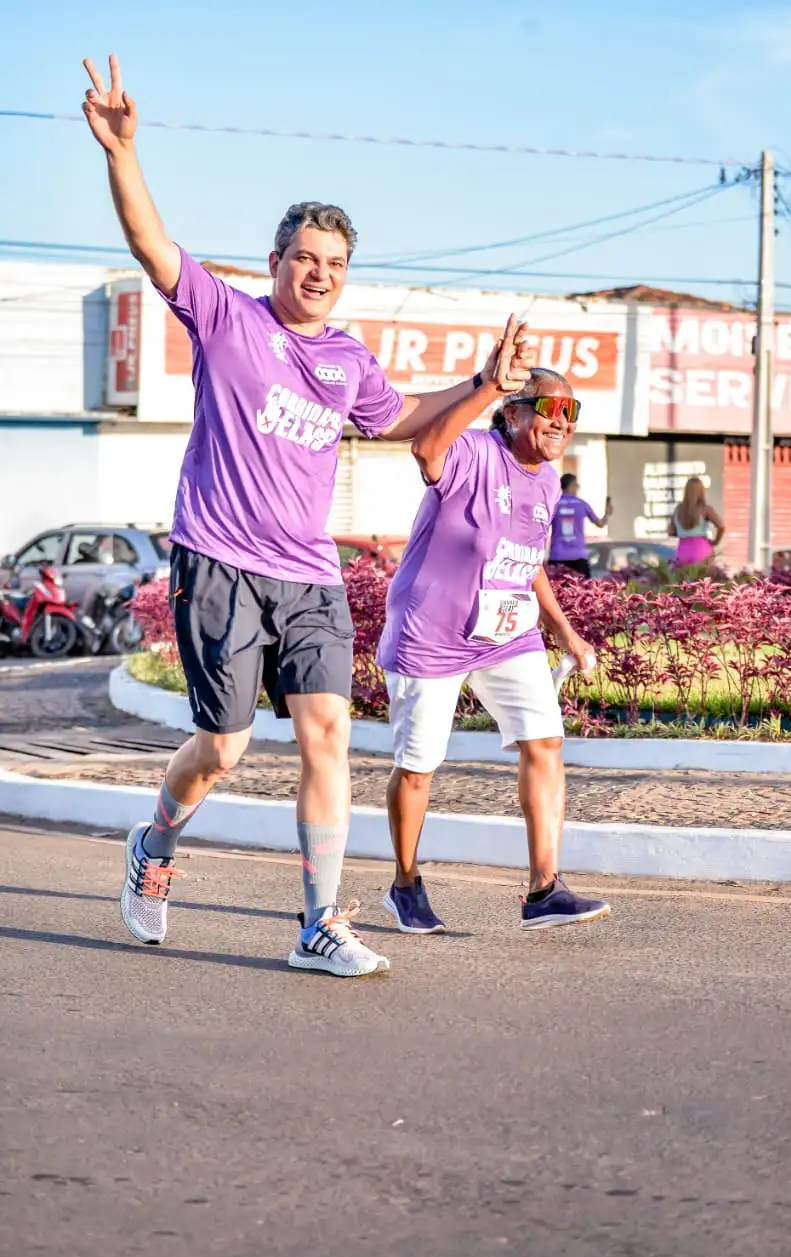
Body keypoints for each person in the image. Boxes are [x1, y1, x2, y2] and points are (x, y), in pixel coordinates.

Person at [82, 54, 533, 977]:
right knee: (225, 747)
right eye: (305, 259)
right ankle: (155, 843)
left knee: (327, 730)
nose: (320, 274)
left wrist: (487, 386)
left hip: (309, 573)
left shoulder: (348, 363)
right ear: (277, 261)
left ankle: (319, 923)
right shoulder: (227, 318)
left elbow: (405, 416)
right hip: (218, 559)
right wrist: (124, 154)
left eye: (335, 264)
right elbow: (150, 244)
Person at [376, 358, 611, 933]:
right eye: (550, 408)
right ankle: (405, 884)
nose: (562, 421)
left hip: (507, 633)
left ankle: (544, 890)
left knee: (545, 740)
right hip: (431, 632)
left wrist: (566, 631)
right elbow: (427, 451)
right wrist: (486, 388)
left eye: (571, 411)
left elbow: (528, 563)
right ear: (512, 412)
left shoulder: (550, 480)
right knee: (418, 768)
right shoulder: (479, 452)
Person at [548, 473, 613, 577]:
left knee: (556, 590)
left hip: (557, 555)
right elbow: (600, 524)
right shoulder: (581, 504)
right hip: (578, 556)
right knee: (583, 590)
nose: (577, 488)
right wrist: (607, 514)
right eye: (576, 485)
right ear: (572, 485)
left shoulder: (553, 504)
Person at [667, 476, 724, 567]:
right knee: (703, 579)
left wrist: (684, 532)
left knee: (684, 580)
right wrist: (715, 542)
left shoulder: (678, 509)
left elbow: (671, 532)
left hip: (683, 549)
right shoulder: (705, 509)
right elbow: (721, 526)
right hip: (701, 547)